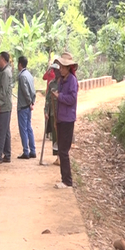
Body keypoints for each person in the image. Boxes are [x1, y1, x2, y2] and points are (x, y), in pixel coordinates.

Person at [51, 52, 79, 189]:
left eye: (63, 67)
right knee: (61, 149)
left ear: (68, 68)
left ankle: (67, 181)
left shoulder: (72, 80)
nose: (61, 69)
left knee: (63, 150)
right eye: (60, 66)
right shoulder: (61, 80)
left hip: (68, 119)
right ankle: (65, 179)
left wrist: (59, 96)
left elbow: (72, 99)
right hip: (61, 119)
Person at [16, 56, 37, 159]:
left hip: (23, 106)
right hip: (28, 105)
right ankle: (32, 150)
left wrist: (29, 102)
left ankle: (26, 151)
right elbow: (33, 90)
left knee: (23, 129)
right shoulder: (29, 75)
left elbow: (25, 91)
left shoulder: (22, 76)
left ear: (20, 64)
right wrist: (32, 102)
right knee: (29, 127)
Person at [44, 61, 60, 161]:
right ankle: (58, 157)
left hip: (62, 114)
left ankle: (62, 156)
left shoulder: (64, 83)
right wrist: (46, 111)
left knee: (62, 135)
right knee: (55, 135)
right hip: (53, 113)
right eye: (55, 70)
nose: (57, 72)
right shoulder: (51, 84)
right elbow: (48, 99)